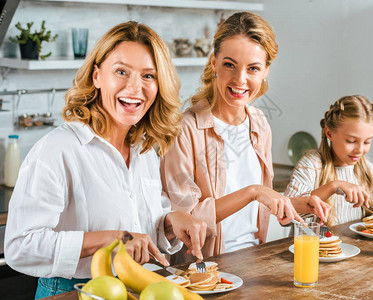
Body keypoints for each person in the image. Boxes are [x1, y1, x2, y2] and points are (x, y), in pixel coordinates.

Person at [4, 21, 207, 299]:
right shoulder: (58, 149)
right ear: (97, 76)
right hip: (72, 291)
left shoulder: (144, 149)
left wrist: (171, 223)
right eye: (121, 72)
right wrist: (113, 238)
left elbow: (141, 231)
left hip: (138, 287)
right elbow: (20, 247)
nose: (134, 87)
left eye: (149, 75)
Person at [161, 12, 330, 264]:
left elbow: (257, 204)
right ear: (213, 63)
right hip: (206, 270)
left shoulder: (259, 123)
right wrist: (253, 191)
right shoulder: (185, 129)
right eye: (229, 64)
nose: (240, 79)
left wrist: (294, 203)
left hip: (257, 259)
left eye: (253, 68)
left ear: (265, 72)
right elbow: (183, 219)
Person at [284, 95, 373, 226]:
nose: (360, 150)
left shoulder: (368, 170)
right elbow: (287, 211)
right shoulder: (311, 165)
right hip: (313, 251)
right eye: (351, 141)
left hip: (356, 250)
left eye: (367, 142)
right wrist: (334, 186)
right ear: (329, 133)